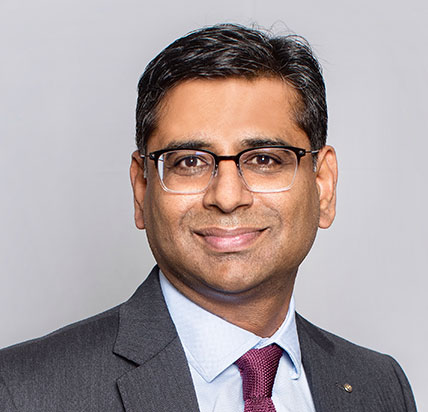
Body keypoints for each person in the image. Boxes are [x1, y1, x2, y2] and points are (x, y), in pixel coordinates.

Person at [0, 24, 416, 412]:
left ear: (323, 185)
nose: (228, 197)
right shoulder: (24, 392)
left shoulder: (380, 386)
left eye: (265, 159)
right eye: (189, 162)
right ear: (142, 188)